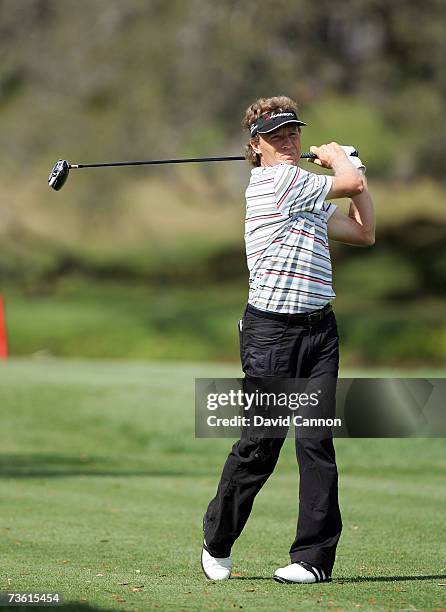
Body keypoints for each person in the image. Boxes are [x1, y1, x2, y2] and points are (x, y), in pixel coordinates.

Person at [201, 95, 375, 584]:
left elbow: (364, 233)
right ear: (256, 148)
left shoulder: (304, 195)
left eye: (294, 134)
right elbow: (350, 183)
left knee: (317, 443)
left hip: (319, 330)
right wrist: (342, 159)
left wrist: (353, 170)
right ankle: (217, 538)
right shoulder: (275, 184)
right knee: (261, 444)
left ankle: (312, 560)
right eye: (277, 138)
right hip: (271, 335)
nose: (290, 143)